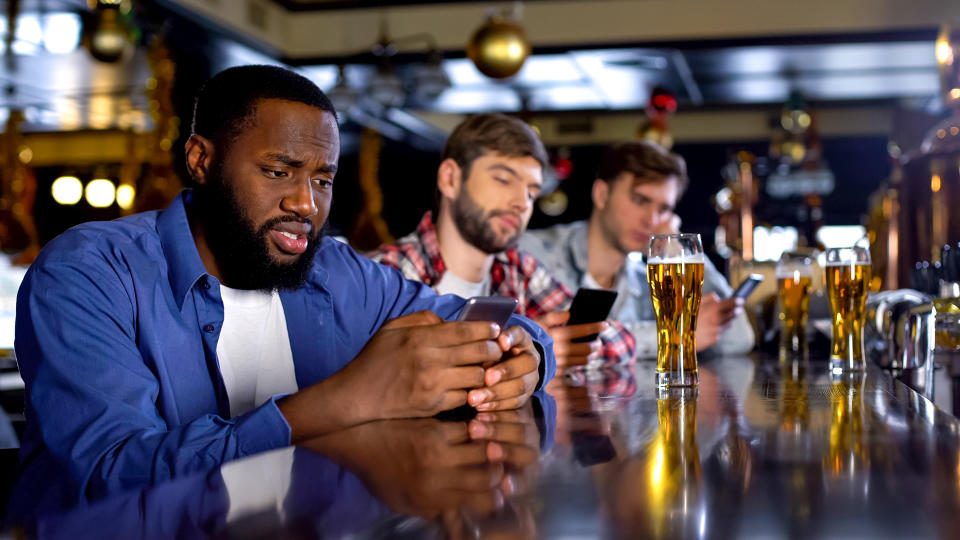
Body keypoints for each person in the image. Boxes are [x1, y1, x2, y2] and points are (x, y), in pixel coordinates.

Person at [11, 66, 555, 519]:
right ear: (201, 160)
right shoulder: (89, 271)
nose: (307, 204)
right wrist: (349, 399)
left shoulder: (335, 270)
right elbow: (109, 482)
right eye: (277, 171)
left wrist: (526, 355)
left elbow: (486, 323)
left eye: (323, 179)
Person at [369, 113, 635, 371]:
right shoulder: (386, 273)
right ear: (450, 179)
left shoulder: (518, 268)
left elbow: (622, 341)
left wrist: (540, 348)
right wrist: (524, 344)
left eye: (532, 193)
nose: (521, 203)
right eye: (503, 179)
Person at [519, 140, 754, 358]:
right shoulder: (533, 252)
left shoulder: (647, 282)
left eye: (663, 209)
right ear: (602, 195)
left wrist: (679, 250)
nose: (651, 220)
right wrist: (674, 337)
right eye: (640, 200)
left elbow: (737, 340)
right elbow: (567, 339)